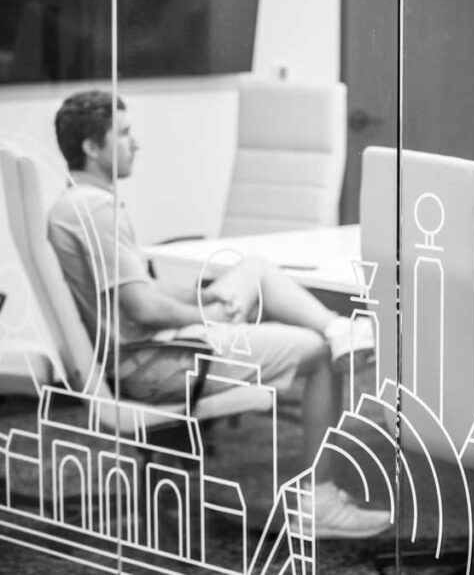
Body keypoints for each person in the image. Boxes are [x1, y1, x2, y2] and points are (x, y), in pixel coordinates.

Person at [47, 90, 389, 538]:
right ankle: (317, 502)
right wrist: (204, 316)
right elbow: (143, 307)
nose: (136, 143)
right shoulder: (97, 210)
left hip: (148, 352)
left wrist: (204, 297)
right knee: (319, 352)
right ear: (92, 147)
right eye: (124, 134)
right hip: (159, 363)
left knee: (255, 271)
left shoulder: (73, 203)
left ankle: (342, 329)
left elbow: (140, 289)